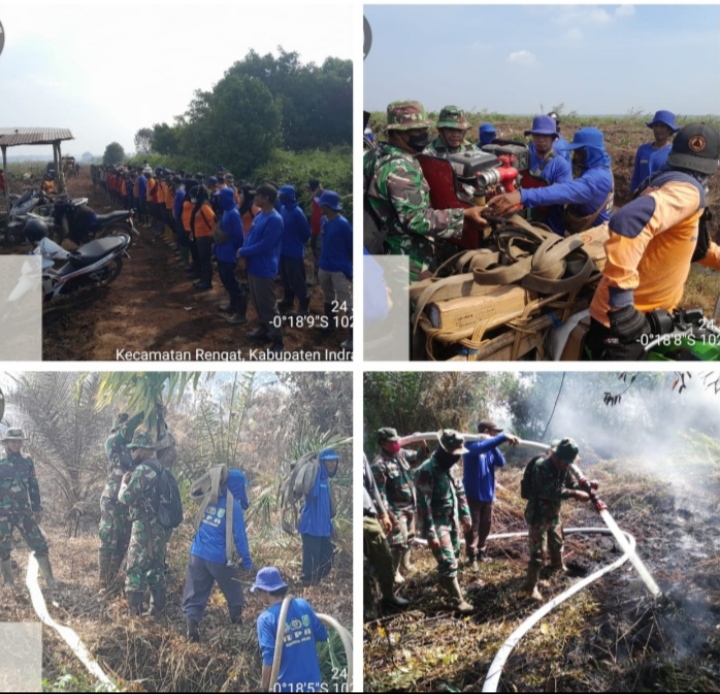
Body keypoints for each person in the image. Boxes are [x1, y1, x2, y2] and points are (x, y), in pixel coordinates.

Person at [586, 123, 720, 360]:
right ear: (714, 165)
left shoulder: (665, 181)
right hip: (624, 325)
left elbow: (688, 242)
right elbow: (626, 220)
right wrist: (622, 305)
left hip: (647, 318)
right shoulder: (689, 191)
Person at [365, 100, 486, 280]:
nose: (423, 134)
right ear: (398, 132)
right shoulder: (401, 167)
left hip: (383, 247)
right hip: (405, 255)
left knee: (393, 303)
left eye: (424, 129)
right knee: (416, 304)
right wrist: (464, 216)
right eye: (417, 131)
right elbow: (416, 219)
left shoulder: (375, 153)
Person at [489, 127, 614, 235]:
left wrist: (521, 195)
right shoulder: (600, 168)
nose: (574, 156)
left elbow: (564, 191)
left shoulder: (595, 180)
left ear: (590, 152)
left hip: (594, 236)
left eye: (579, 152)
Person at [183, 466, 253, 643]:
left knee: (196, 593)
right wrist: (247, 562)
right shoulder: (234, 506)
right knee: (234, 591)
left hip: (197, 553)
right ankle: (237, 625)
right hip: (218, 557)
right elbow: (240, 538)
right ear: (237, 487)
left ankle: (192, 627)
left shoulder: (210, 498)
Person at [522, 438, 595, 601]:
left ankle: (557, 566)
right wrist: (575, 494)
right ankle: (530, 586)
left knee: (557, 542)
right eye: (565, 462)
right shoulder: (542, 467)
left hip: (553, 513)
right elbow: (551, 491)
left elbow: (570, 484)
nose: (568, 465)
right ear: (557, 457)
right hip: (538, 514)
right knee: (538, 552)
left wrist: (585, 486)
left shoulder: (564, 466)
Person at [415, 429, 474, 613]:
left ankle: (444, 583)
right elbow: (424, 506)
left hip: (452, 518)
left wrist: (465, 515)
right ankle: (458, 601)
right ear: (443, 451)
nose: (457, 458)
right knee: (448, 560)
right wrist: (431, 534)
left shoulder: (453, 468)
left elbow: (460, 491)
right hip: (437, 523)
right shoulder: (426, 470)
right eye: (454, 454)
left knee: (455, 554)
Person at [118, 431, 171, 616]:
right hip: (159, 527)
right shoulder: (160, 468)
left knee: (134, 568)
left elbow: (126, 498)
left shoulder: (143, 471)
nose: (133, 453)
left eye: (135, 450)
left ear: (143, 450)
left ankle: (134, 614)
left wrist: (123, 484)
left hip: (143, 527)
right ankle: (157, 610)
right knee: (156, 567)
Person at [252, 566, 328, 693]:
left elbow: (269, 658)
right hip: (313, 685)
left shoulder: (265, 620)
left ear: (265, 591)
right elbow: (323, 635)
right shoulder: (303, 605)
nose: (258, 595)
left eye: (258, 591)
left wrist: (264, 688)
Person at [371, 427, 429, 584]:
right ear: (383, 443)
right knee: (398, 542)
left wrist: (422, 444)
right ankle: (393, 572)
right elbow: (379, 493)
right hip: (396, 510)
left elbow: (418, 457)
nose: (396, 443)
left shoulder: (401, 454)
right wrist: (387, 514)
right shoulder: (379, 464)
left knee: (409, 537)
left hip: (410, 505)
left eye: (397, 440)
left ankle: (406, 564)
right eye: (392, 442)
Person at [0, 429, 56, 587]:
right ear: (6, 443)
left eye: (19, 441)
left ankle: (49, 578)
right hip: (3, 513)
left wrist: (37, 507)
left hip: (24, 511)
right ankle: (8, 581)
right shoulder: (1, 461)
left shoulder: (27, 461)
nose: (16, 444)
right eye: (13, 441)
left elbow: (33, 485)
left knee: (39, 543)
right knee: (3, 548)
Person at [462, 419, 519, 571]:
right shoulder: (470, 445)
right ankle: (472, 558)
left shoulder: (489, 449)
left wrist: (495, 444)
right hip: (473, 495)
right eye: (495, 432)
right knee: (473, 527)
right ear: (486, 432)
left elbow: (501, 462)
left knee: (485, 526)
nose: (496, 435)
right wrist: (501, 438)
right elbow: (479, 448)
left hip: (488, 496)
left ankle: (481, 553)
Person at [98, 412, 144, 593]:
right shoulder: (113, 442)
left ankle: (111, 577)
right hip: (111, 499)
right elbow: (126, 430)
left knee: (123, 541)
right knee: (108, 539)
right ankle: (103, 581)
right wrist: (141, 411)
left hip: (127, 500)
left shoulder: (133, 448)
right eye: (127, 428)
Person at [237, 183, 285, 353]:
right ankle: (264, 329)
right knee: (258, 303)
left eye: (257, 195)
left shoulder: (275, 219)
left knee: (269, 305)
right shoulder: (259, 216)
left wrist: (244, 251)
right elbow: (250, 237)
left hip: (264, 268)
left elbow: (265, 245)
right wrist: (244, 254)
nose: (254, 198)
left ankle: (278, 340)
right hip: (254, 266)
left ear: (265, 198)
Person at [363, 454, 409, 618]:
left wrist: (383, 514)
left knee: (384, 555)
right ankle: (368, 607)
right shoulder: (379, 463)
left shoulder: (361, 456)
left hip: (368, 515)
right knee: (362, 566)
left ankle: (389, 596)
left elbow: (372, 487)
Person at [521, 114, 573, 235]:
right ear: (532, 136)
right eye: (537, 135)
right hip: (525, 226)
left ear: (553, 138)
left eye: (545, 135)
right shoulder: (525, 161)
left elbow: (564, 195)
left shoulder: (561, 166)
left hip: (551, 230)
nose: (541, 139)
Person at [317, 191, 353, 348]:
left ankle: (353, 338)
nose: (319, 206)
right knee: (328, 297)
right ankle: (329, 324)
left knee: (346, 303)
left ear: (328, 206)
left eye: (322, 204)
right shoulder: (323, 220)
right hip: (324, 266)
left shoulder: (343, 224)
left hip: (339, 270)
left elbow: (352, 247)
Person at [298, 449, 339, 586]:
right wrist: (315, 469)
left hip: (323, 528)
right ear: (323, 461)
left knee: (327, 557)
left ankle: (315, 583)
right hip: (310, 527)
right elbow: (311, 493)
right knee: (310, 562)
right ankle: (308, 587)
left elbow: (326, 509)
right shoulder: (315, 475)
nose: (332, 464)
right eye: (329, 460)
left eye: (334, 460)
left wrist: (331, 527)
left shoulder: (326, 480)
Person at [277, 185, 312, 316]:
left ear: (289, 196)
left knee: (297, 279)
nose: (280, 198)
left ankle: (304, 306)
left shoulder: (298, 212)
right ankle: (288, 299)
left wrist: (296, 243)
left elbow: (306, 233)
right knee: (285, 277)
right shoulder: (282, 209)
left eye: (282, 196)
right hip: (283, 250)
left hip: (294, 252)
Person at [215, 187, 248, 325]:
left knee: (233, 283)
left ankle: (241, 313)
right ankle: (233, 305)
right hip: (222, 252)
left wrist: (240, 253)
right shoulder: (226, 211)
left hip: (230, 254)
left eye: (220, 197)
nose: (218, 200)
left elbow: (239, 235)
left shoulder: (233, 213)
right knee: (225, 280)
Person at [630, 110, 679, 194]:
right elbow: (636, 176)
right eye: (656, 126)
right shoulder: (643, 150)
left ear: (670, 130)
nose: (658, 129)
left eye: (662, 126)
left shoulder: (674, 153)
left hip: (661, 199)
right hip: (641, 197)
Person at [191, 186, 217, 291]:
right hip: (200, 236)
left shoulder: (204, 207)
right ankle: (203, 279)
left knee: (206, 261)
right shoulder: (200, 205)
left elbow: (213, 219)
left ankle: (207, 282)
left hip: (206, 237)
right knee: (203, 260)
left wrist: (212, 233)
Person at [307, 179, 324, 286]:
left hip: (320, 231)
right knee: (314, 252)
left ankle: (318, 277)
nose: (308, 190)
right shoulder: (315, 196)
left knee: (318, 254)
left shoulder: (323, 196)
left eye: (310, 188)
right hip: (314, 229)